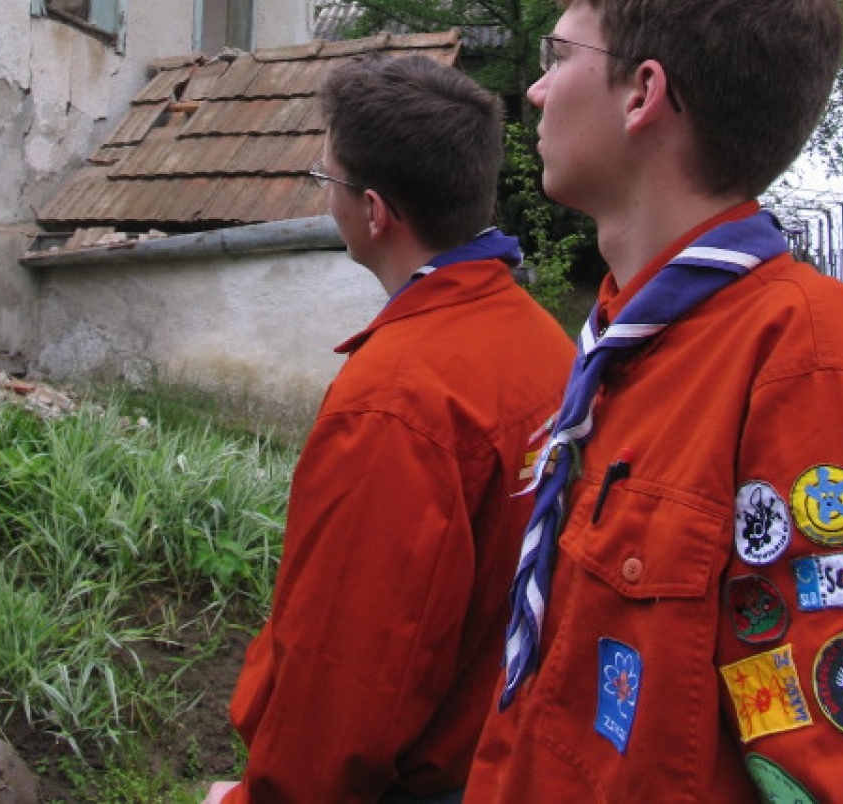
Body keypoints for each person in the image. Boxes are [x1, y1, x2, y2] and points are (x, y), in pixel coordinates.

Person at [464, 0, 843, 803]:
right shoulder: (620, 347)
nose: (537, 91)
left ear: (641, 93)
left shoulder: (805, 361)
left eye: (558, 57)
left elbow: (842, 766)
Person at [203, 53, 574, 804]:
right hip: (512, 757)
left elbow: (345, 671)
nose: (324, 197)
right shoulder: (545, 343)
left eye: (325, 181)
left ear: (373, 212)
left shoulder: (396, 402)